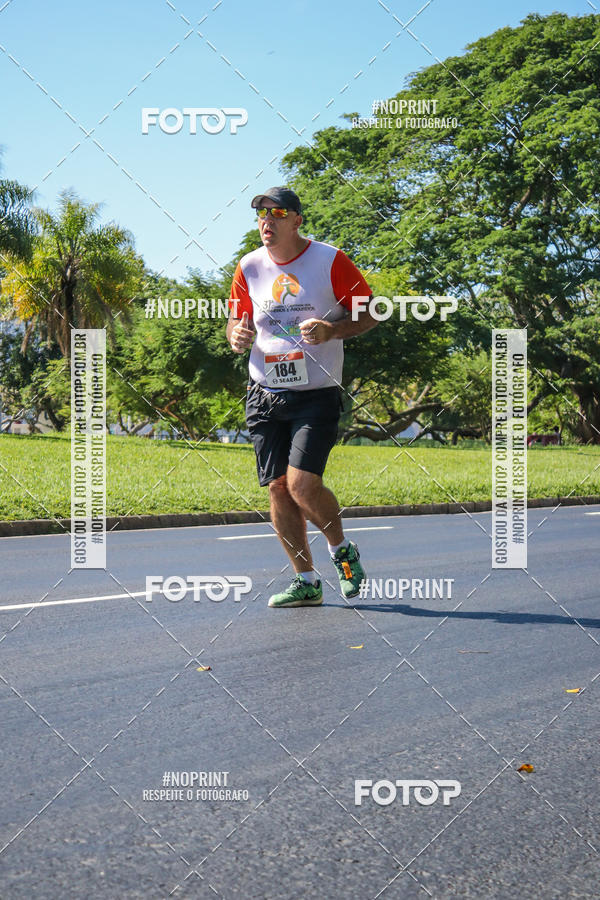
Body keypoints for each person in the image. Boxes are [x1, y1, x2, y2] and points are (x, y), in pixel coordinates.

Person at [227, 186, 377, 608]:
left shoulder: (330, 260)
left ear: (297, 219)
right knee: (277, 489)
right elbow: (237, 320)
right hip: (264, 391)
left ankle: (341, 552)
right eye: (259, 214)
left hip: (316, 392)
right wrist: (236, 335)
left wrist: (332, 330)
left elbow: (369, 314)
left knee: (302, 484)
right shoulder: (249, 266)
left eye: (276, 213)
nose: (266, 222)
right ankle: (306, 581)